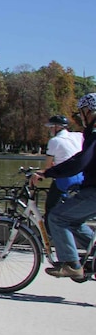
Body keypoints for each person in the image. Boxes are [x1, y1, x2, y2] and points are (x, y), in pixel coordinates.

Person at [32, 93, 96, 280]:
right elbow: (78, 158)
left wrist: (47, 173)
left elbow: (79, 162)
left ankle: (71, 264)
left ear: (89, 111)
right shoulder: (83, 135)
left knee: (57, 217)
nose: (80, 116)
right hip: (87, 186)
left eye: (82, 111)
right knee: (73, 220)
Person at [42, 115, 83, 215]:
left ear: (58, 127)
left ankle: (50, 229)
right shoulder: (78, 135)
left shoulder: (54, 141)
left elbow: (47, 166)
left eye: (51, 127)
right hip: (81, 177)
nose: (50, 130)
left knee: (50, 211)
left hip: (64, 179)